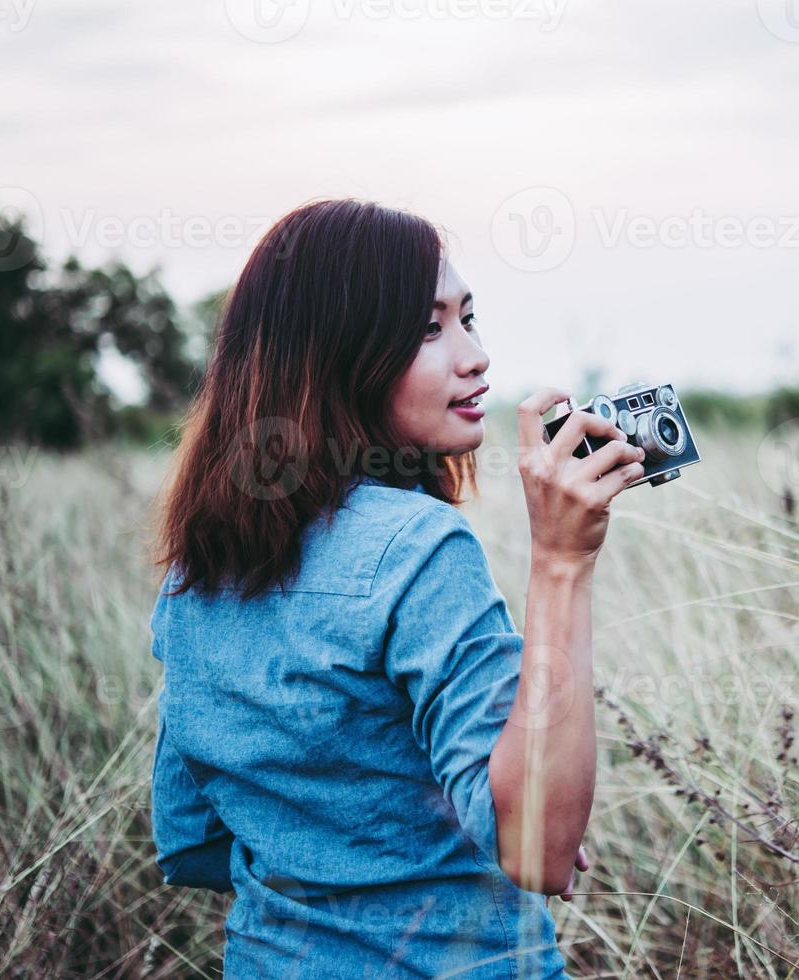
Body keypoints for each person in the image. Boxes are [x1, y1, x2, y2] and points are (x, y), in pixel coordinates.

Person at [147, 198, 645, 977]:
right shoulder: (417, 547)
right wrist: (560, 561)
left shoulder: (196, 566)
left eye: (468, 318)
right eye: (427, 328)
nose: (473, 355)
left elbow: (188, 838)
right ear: (337, 354)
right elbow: (539, 852)